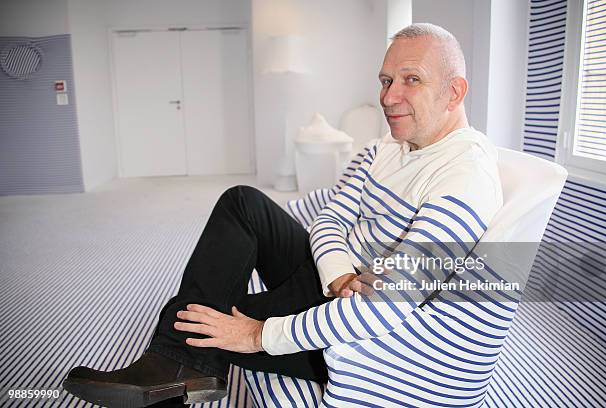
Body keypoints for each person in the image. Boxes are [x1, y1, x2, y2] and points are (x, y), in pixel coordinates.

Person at [63, 23, 504, 407]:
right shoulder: (383, 147)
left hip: (368, 335)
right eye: (386, 79)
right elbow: (329, 220)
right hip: (336, 281)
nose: (390, 96)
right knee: (242, 201)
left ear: (455, 92)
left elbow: (387, 309)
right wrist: (337, 275)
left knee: (202, 320)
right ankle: (175, 366)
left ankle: (173, 368)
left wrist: (258, 335)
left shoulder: (464, 176)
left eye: (412, 80)